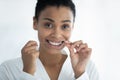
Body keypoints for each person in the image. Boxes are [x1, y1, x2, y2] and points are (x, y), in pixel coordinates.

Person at [0, 0, 99, 80]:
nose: (56, 35)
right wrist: (28, 72)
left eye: (65, 26)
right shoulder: (8, 69)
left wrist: (80, 73)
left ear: (72, 27)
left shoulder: (87, 68)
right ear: (35, 23)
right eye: (48, 25)